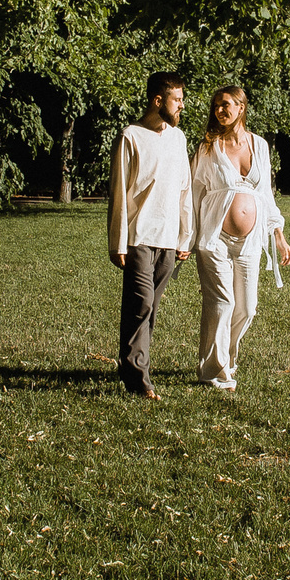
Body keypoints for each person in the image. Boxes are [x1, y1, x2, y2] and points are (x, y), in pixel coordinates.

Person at [190, 84, 290, 391]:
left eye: (226, 104)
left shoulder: (259, 145)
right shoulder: (208, 147)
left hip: (250, 240)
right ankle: (214, 371)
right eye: (216, 106)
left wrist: (278, 234)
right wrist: (189, 236)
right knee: (221, 303)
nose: (220, 110)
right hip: (214, 236)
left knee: (246, 307)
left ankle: (226, 358)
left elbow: (265, 195)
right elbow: (194, 194)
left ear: (241, 107)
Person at [108, 71, 193, 398]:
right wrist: (118, 242)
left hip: (169, 240)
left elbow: (184, 191)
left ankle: (133, 363)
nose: (182, 105)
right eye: (177, 99)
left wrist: (184, 237)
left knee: (150, 308)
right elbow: (119, 193)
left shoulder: (179, 138)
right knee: (140, 304)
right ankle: (137, 378)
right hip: (140, 236)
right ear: (158, 100)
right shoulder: (131, 136)